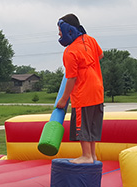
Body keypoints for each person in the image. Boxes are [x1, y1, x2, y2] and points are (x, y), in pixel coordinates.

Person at [55, 14, 104, 164]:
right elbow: (100, 55)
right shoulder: (90, 40)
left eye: (59, 30)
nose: (58, 34)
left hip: (83, 93)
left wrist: (63, 100)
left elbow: (71, 78)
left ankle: (86, 156)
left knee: (82, 124)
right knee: (92, 124)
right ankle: (93, 155)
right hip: (97, 90)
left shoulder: (70, 52)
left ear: (67, 30)